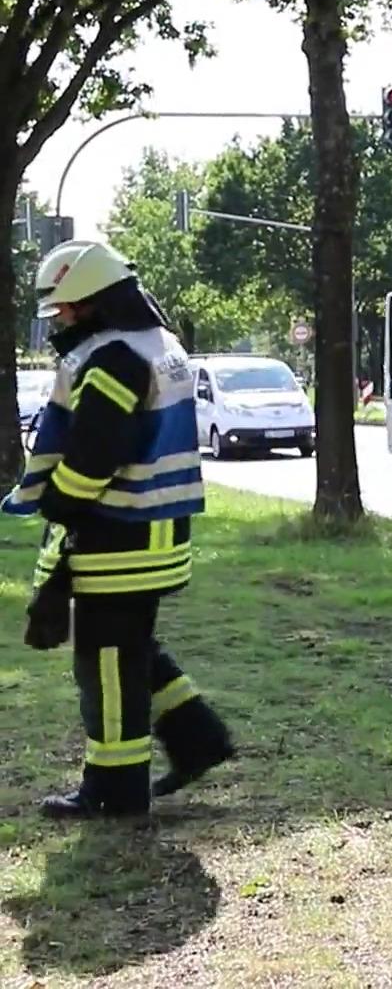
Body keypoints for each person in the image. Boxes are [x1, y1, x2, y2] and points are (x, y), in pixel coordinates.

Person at [5, 240, 233, 818]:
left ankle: (113, 791)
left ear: (97, 304)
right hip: (157, 534)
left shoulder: (111, 360)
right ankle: (198, 738)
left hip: (118, 537)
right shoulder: (160, 347)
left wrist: (58, 505)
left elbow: (94, 457)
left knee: (105, 665)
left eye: (68, 309)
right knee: (131, 649)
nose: (60, 320)